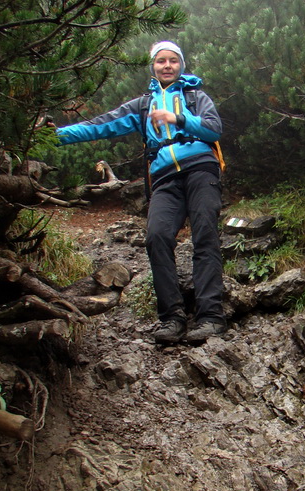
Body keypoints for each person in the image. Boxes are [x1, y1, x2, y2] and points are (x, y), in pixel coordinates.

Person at [56, 41, 227, 345]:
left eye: (173, 60)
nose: (167, 65)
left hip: (201, 168)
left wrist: (178, 118)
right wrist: (55, 137)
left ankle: (211, 317)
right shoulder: (143, 105)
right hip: (163, 178)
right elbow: (100, 125)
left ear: (181, 65)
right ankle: (172, 318)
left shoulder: (196, 96)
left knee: (205, 235)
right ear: (153, 66)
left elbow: (213, 130)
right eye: (161, 61)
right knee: (157, 237)